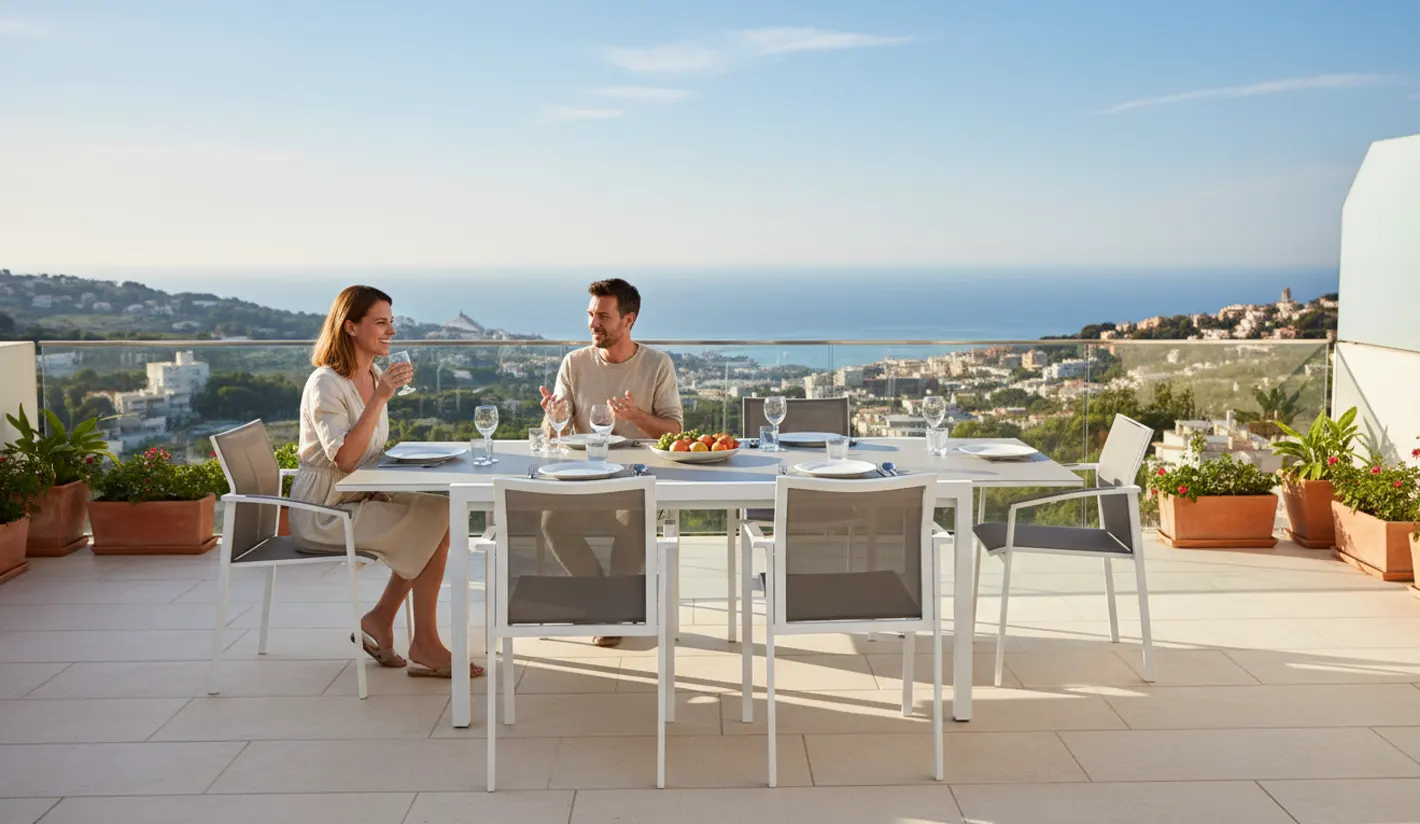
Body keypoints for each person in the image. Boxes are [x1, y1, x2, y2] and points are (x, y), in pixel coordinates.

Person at [289, 285, 481, 678]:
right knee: (435, 520)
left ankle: (383, 621)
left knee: (440, 511)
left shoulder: (372, 373)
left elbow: (367, 455)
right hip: (324, 512)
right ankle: (419, 640)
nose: (391, 330)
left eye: (391, 321)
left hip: (355, 498)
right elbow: (344, 458)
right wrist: (380, 398)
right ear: (350, 327)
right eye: (380, 322)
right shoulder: (327, 382)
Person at [536, 278, 684, 646]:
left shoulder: (657, 364)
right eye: (590, 314)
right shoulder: (574, 363)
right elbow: (556, 432)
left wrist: (636, 416)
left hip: (637, 479)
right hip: (586, 479)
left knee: (633, 521)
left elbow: (675, 428)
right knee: (553, 525)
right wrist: (555, 417)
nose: (593, 324)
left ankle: (610, 612)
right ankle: (605, 598)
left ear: (628, 320)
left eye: (603, 316)